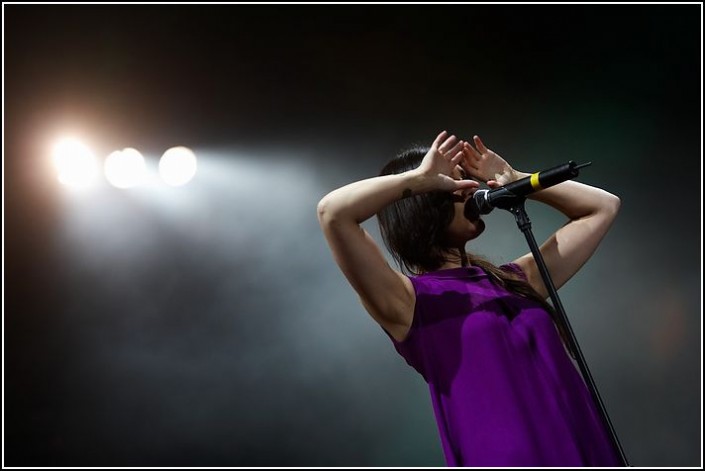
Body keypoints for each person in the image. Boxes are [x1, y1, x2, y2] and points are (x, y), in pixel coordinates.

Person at [316, 130, 623, 467]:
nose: (470, 190)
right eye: (453, 184)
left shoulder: (515, 281)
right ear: (425, 203)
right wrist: (420, 178)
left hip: (582, 450)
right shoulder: (407, 301)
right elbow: (333, 213)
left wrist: (516, 178)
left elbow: (602, 207)